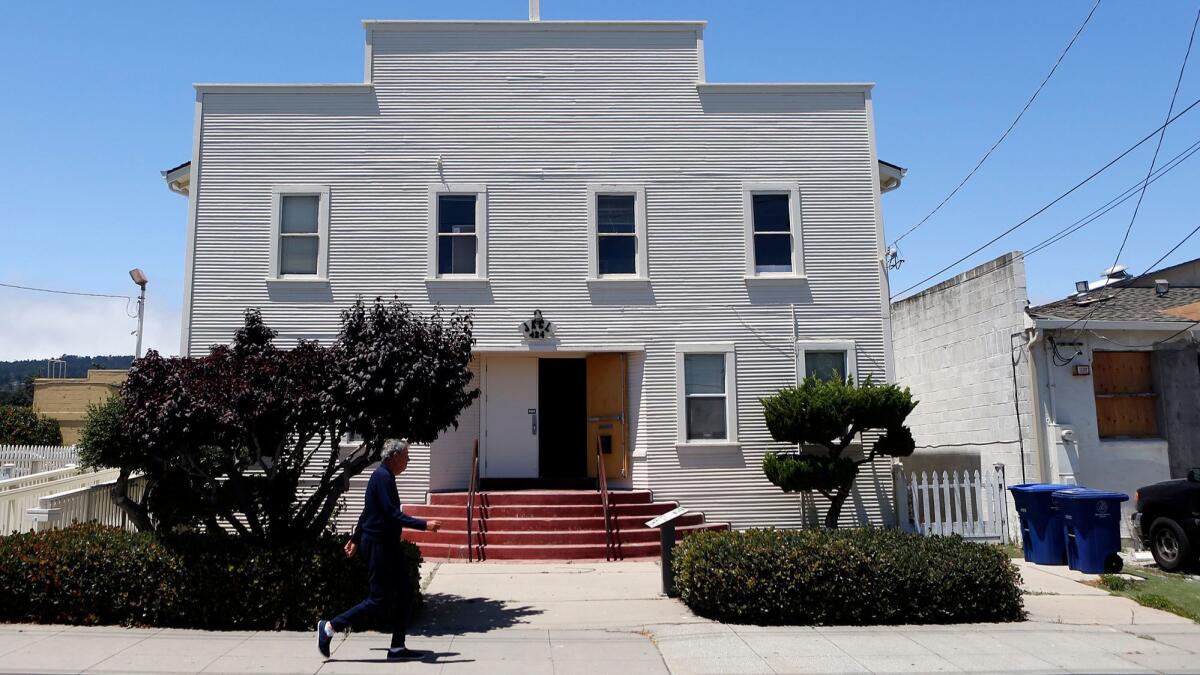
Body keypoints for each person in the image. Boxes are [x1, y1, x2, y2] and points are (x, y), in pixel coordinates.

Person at [317, 439, 441, 660]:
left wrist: (355, 539)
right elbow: (391, 513)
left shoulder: (384, 477)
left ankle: (397, 648)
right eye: (406, 456)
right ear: (393, 456)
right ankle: (330, 627)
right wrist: (424, 525)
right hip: (378, 546)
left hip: (386, 545)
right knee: (378, 599)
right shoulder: (382, 477)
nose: (408, 460)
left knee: (405, 592)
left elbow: (368, 511)